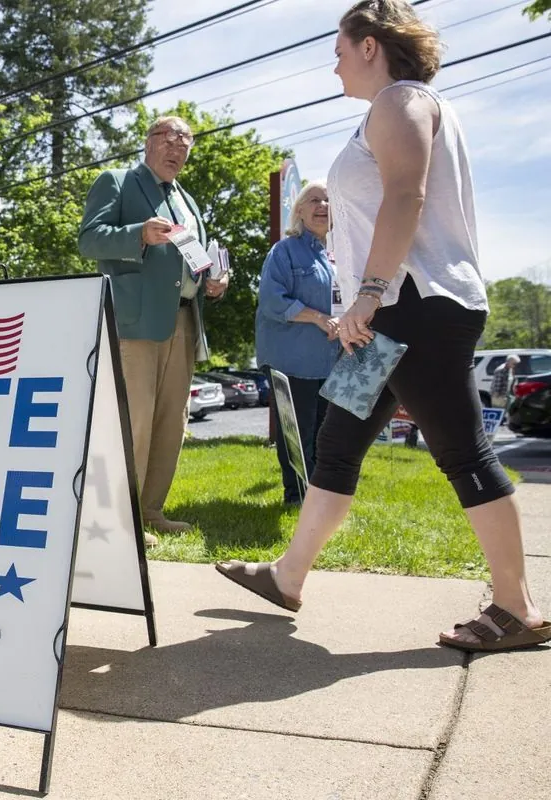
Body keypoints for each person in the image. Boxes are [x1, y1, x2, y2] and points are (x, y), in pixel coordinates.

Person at [217, 0, 548, 652]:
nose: (333, 61)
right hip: (389, 318)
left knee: (463, 452)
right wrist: (365, 304)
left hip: (413, 308)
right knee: (337, 444)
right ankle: (288, 576)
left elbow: (406, 195)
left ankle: (518, 608)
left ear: (372, 44)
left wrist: (368, 294)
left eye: (340, 47)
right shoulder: (395, 108)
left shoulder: (400, 100)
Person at [78, 116, 229, 542]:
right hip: (135, 320)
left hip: (184, 319)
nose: (178, 146)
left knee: (170, 421)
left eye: (186, 140)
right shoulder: (119, 181)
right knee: (135, 419)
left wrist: (211, 279)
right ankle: (116, 516)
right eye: (169, 136)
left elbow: (193, 258)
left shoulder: (187, 201)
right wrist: (138, 234)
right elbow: (90, 240)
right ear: (148, 143)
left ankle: (150, 510)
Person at [256, 182, 342, 505]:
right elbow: (272, 302)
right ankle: (296, 497)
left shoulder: (336, 255)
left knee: (324, 433)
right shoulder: (284, 251)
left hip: (328, 361)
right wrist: (320, 319)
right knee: (298, 432)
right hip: (291, 360)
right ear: (300, 211)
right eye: (314, 200)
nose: (322, 205)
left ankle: (318, 499)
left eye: (328, 200)